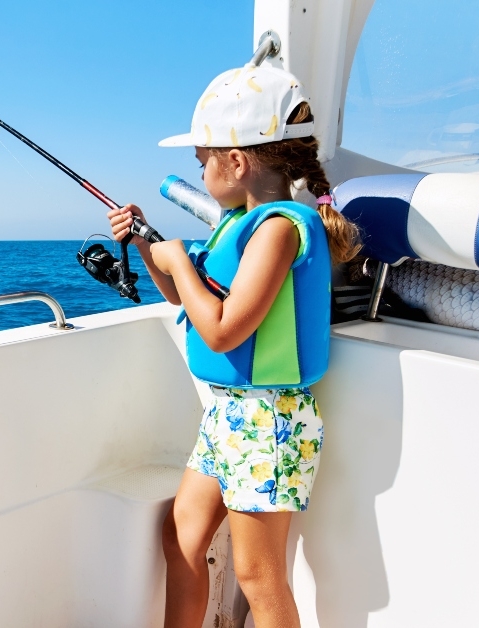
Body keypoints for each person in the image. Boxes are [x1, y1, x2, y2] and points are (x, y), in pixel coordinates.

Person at [109, 63, 360, 628]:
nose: (200, 174)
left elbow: (223, 329)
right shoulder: (234, 223)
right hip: (227, 414)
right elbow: (186, 298)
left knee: (257, 574)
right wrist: (152, 248)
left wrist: (177, 258)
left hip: (268, 419)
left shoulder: (278, 229)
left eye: (202, 163)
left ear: (238, 161)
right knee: (181, 539)